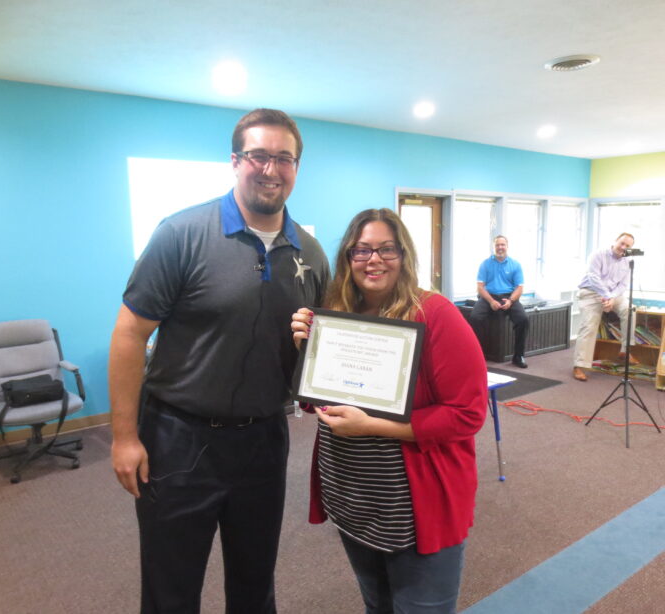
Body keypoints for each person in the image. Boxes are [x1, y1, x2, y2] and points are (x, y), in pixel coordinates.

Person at [109, 108, 329, 614]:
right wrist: (124, 437)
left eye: (283, 158)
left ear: (296, 167)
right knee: (171, 590)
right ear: (235, 161)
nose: (270, 169)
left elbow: (317, 351)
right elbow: (128, 335)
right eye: (258, 155)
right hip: (178, 441)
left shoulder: (311, 254)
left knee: (255, 586)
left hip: (263, 442)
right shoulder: (181, 233)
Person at [291, 208, 487, 614]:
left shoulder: (436, 314)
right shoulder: (337, 310)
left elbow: (467, 414)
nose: (373, 259)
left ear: (404, 255)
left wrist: (373, 426)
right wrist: (305, 356)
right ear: (348, 257)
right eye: (361, 250)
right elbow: (317, 400)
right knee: (377, 605)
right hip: (352, 496)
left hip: (413, 506)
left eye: (386, 249)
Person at [572, 232, 637, 382]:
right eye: (622, 243)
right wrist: (607, 296)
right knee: (589, 326)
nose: (623, 247)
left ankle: (625, 350)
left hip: (613, 295)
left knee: (630, 309)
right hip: (591, 292)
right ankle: (579, 365)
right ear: (615, 241)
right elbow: (593, 277)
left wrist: (611, 298)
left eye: (627, 246)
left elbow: (624, 285)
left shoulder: (629, 261)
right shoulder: (598, 255)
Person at [469, 235, 529, 368]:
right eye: (497, 245)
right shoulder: (485, 264)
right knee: (474, 318)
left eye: (503, 245)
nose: (500, 247)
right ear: (493, 247)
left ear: (507, 247)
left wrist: (511, 301)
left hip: (509, 296)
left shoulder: (515, 265)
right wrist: (490, 301)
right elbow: (480, 287)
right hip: (488, 295)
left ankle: (518, 356)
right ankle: (477, 355)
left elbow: (519, 288)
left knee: (523, 319)